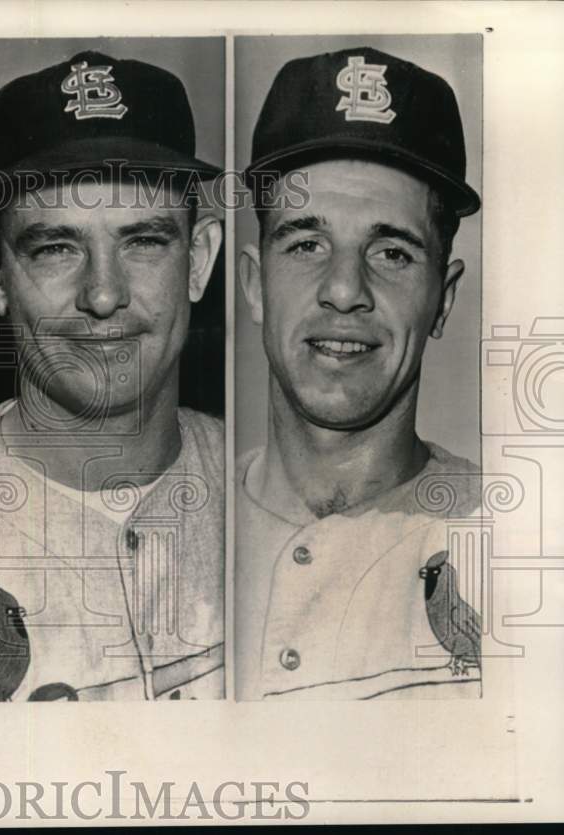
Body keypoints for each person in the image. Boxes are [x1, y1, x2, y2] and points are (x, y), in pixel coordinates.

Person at [0, 50, 225, 701]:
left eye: (144, 242)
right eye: (57, 247)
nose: (103, 295)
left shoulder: (271, 498)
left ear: (199, 260)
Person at [235, 46, 484, 700]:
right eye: (306, 244)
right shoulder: (171, 534)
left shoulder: (523, 539)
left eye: (392, 252)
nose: (345, 290)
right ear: (255, 285)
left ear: (443, 300)